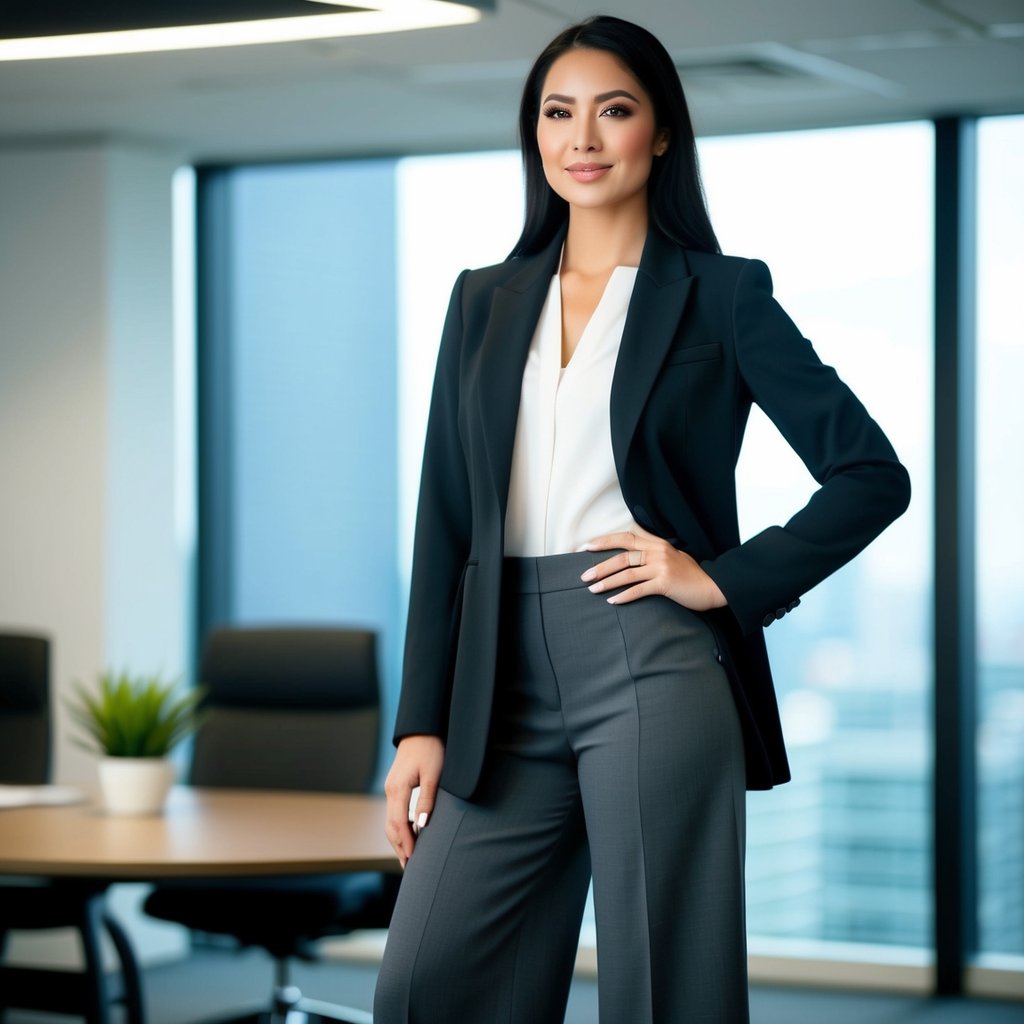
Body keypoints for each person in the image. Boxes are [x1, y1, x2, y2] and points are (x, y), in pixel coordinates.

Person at [373, 14, 910, 1024]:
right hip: (498, 677)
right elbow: (445, 520)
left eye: (612, 111)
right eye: (557, 113)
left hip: (649, 653)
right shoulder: (480, 301)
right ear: (533, 135)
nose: (582, 137)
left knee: (667, 989)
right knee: (424, 989)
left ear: (659, 133)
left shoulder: (722, 295)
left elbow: (869, 474)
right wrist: (420, 718)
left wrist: (721, 579)